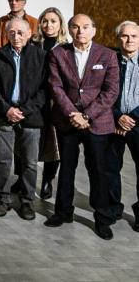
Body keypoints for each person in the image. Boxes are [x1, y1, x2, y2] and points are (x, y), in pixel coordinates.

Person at [44, 14, 121, 240]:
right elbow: (55, 87)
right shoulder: (58, 53)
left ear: (94, 30)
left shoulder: (107, 55)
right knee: (67, 168)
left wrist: (86, 115)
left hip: (97, 122)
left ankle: (102, 218)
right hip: (67, 121)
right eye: (76, 27)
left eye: (86, 27)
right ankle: (63, 212)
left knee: (98, 170)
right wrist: (73, 114)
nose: (80, 32)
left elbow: (111, 91)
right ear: (69, 29)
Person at [0, 18, 47, 220]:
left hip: (31, 116)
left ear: (29, 34)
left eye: (21, 32)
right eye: (12, 33)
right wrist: (7, 109)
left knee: (29, 162)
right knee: (3, 160)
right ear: (6, 34)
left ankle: (27, 201)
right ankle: (3, 198)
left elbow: (46, 89)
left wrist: (24, 110)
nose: (16, 36)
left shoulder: (41, 56)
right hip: (5, 115)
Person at [31, 6, 70, 199]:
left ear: (60, 24)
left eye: (53, 21)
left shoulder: (66, 47)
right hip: (34, 98)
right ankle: (23, 178)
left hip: (56, 100)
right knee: (28, 138)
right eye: (45, 21)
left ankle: (47, 180)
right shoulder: (33, 43)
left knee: (52, 142)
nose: (48, 25)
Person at [111, 21, 139, 232]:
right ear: (118, 38)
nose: (129, 40)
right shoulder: (110, 59)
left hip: (137, 124)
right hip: (113, 123)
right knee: (111, 168)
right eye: (125, 36)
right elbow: (102, 91)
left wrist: (132, 119)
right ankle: (112, 209)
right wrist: (118, 116)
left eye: (134, 36)